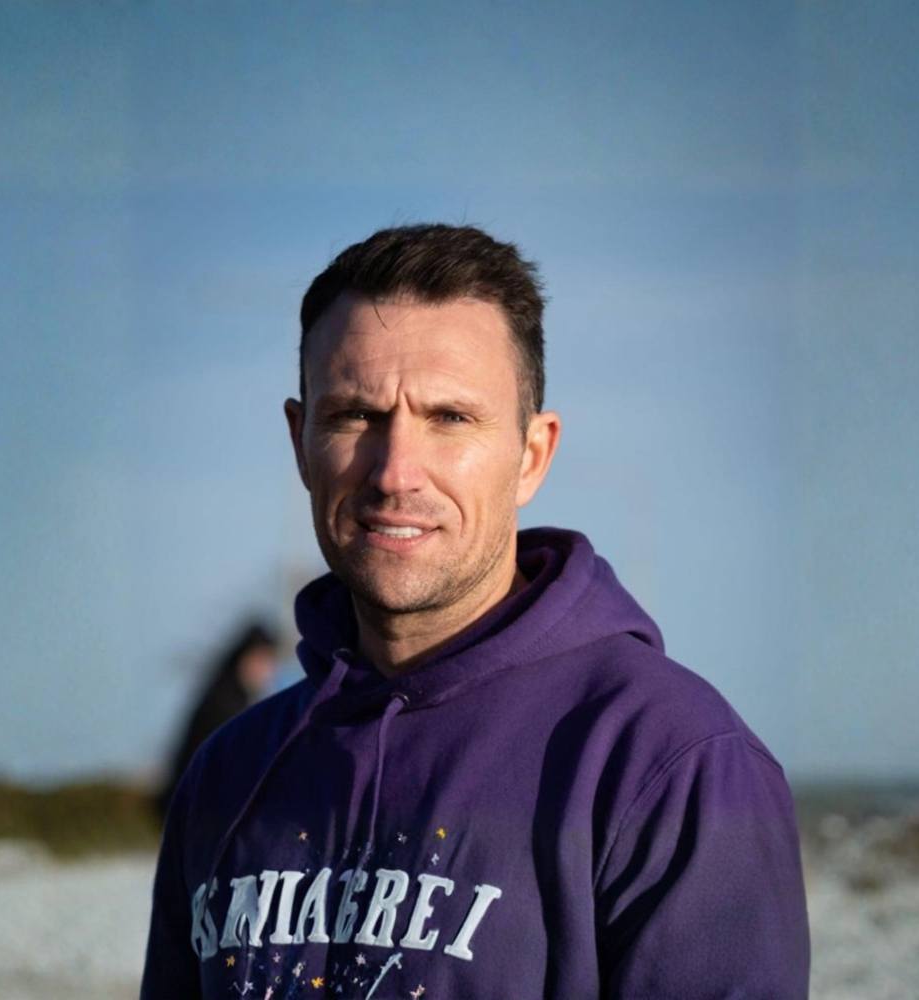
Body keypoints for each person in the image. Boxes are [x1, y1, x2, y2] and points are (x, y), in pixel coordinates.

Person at [142, 224, 810, 999]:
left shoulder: (671, 764)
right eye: (355, 415)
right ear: (300, 441)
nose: (396, 472)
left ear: (532, 455)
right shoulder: (229, 775)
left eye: (450, 418)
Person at [154, 621, 280, 821]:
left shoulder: (234, 700)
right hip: (194, 812)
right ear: (243, 658)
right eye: (260, 660)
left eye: (269, 662)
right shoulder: (224, 706)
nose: (266, 670)